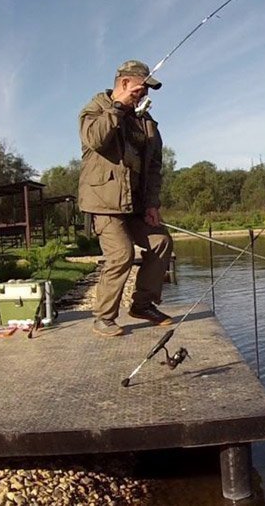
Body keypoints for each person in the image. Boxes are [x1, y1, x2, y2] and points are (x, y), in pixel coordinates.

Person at [78, 60, 174, 337]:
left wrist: (153, 203)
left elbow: (155, 165)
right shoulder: (95, 108)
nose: (144, 95)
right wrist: (117, 107)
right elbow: (95, 140)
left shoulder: (147, 122)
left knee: (161, 243)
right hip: (104, 203)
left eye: (146, 92)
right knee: (121, 254)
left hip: (137, 204)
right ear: (123, 83)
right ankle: (103, 318)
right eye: (140, 89)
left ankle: (142, 305)